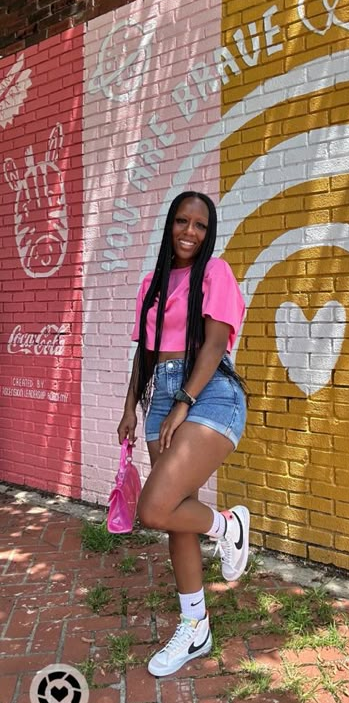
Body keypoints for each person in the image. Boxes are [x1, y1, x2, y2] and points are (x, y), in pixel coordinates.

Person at [117, 191, 249, 677]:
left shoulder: (215, 274)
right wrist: (130, 408)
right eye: (181, 221)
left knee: (153, 507)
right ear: (169, 225)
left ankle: (229, 526)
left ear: (207, 231)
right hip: (159, 395)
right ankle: (196, 627)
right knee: (174, 515)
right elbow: (144, 355)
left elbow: (215, 344)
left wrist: (184, 402)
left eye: (199, 224)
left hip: (208, 390)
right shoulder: (151, 283)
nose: (189, 232)